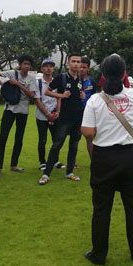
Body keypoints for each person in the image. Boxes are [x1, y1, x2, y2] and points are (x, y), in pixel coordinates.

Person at [81, 54, 133, 265]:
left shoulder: (95, 99)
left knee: (102, 208)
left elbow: (87, 131)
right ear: (124, 74)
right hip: (131, 156)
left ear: (102, 74)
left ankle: (99, 254)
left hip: (104, 157)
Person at [38, 53, 85, 185]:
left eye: (78, 62)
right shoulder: (61, 78)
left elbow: (79, 94)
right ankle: (46, 174)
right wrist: (61, 95)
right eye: (74, 61)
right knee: (57, 145)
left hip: (78, 117)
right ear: (68, 63)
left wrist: (82, 96)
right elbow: (47, 91)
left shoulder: (80, 79)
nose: (76, 64)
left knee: (74, 145)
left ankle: (70, 172)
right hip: (64, 118)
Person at [0, 54, 36, 177]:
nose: (27, 66)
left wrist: (18, 84)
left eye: (29, 64)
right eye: (25, 64)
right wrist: (3, 85)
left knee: (19, 138)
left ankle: (14, 165)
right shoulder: (12, 73)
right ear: (20, 64)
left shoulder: (31, 78)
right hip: (10, 110)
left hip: (23, 111)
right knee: (3, 137)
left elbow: (32, 95)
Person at [34, 59, 65, 171]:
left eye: (51, 66)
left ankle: (55, 160)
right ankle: (42, 162)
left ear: (53, 68)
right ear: (42, 69)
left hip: (54, 114)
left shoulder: (56, 82)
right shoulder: (38, 82)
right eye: (46, 66)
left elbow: (59, 97)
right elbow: (37, 100)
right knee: (42, 139)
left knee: (56, 139)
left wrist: (58, 112)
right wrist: (47, 114)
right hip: (42, 116)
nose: (48, 68)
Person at [79, 56, 97, 159]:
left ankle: (93, 160)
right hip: (76, 112)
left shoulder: (92, 81)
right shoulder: (75, 80)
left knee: (90, 137)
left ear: (88, 69)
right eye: (81, 67)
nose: (82, 69)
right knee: (75, 138)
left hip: (88, 113)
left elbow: (94, 97)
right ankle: (73, 162)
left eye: (84, 67)